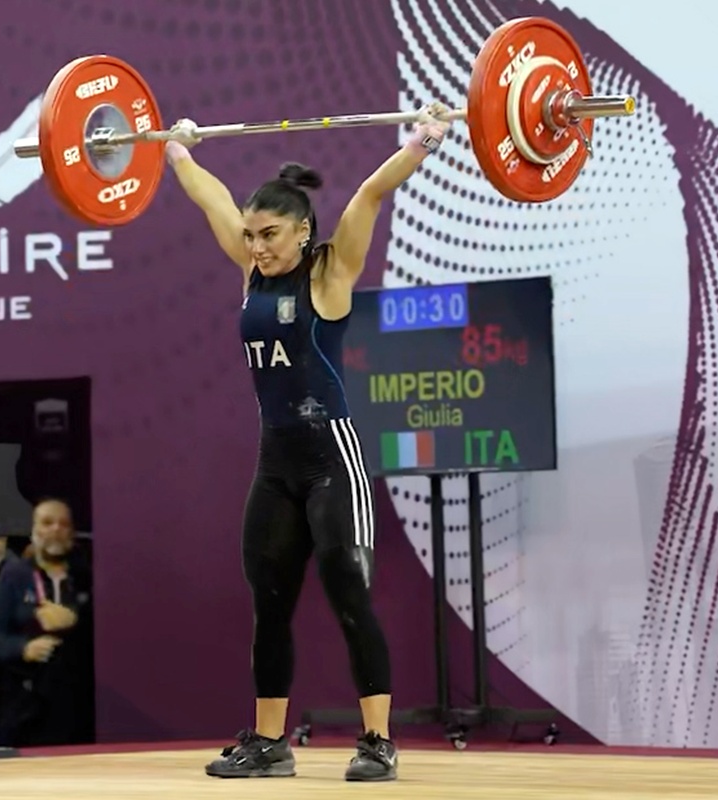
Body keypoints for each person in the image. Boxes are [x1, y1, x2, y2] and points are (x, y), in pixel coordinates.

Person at [164, 103, 453, 782]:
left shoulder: (330, 273)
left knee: (349, 593)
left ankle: (378, 741)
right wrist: (177, 149)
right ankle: (270, 744)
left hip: (332, 460)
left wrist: (425, 140)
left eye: (269, 234)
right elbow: (210, 197)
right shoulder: (251, 272)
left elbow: (370, 193)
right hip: (276, 464)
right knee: (269, 603)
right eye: (250, 235)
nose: (256, 247)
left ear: (302, 230)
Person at [0, 497, 94, 747]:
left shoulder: (87, 576)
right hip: (25, 705)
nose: (56, 529)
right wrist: (23, 648)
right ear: (32, 530)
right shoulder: (14, 576)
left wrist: (77, 621)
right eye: (47, 523)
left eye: (64, 524)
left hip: (79, 705)